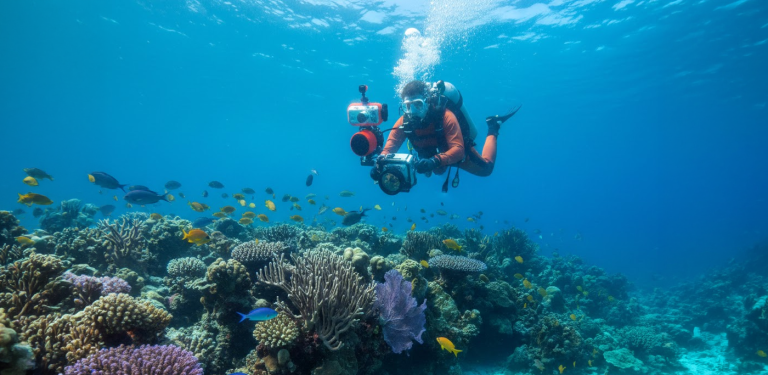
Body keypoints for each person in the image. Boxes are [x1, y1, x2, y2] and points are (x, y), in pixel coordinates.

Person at [374, 80, 519, 184]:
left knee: (487, 170)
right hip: (433, 159)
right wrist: (379, 165)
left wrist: (434, 161)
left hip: (451, 154)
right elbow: (389, 149)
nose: (412, 112)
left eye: (417, 105)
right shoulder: (403, 122)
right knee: (437, 171)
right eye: (407, 106)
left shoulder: (445, 116)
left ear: (427, 101)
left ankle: (493, 126)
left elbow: (458, 150)